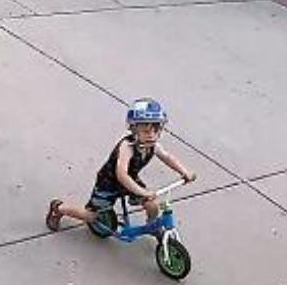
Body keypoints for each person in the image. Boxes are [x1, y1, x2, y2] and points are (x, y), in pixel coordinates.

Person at [47, 98, 196, 231]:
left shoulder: (153, 145)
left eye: (156, 130)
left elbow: (167, 157)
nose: (151, 135)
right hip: (109, 183)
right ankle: (59, 208)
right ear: (133, 129)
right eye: (145, 130)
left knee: (152, 204)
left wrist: (184, 172)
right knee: (91, 216)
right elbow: (121, 174)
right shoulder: (128, 146)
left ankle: (152, 226)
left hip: (130, 181)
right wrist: (142, 192)